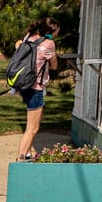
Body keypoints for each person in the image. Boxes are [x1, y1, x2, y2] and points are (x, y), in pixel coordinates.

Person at [15, 16, 60, 161]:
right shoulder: (49, 43)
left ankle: (27, 154)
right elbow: (54, 66)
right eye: (57, 31)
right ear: (52, 31)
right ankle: (21, 158)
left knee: (33, 124)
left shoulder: (30, 36)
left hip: (24, 84)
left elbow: (18, 45)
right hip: (36, 88)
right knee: (32, 128)